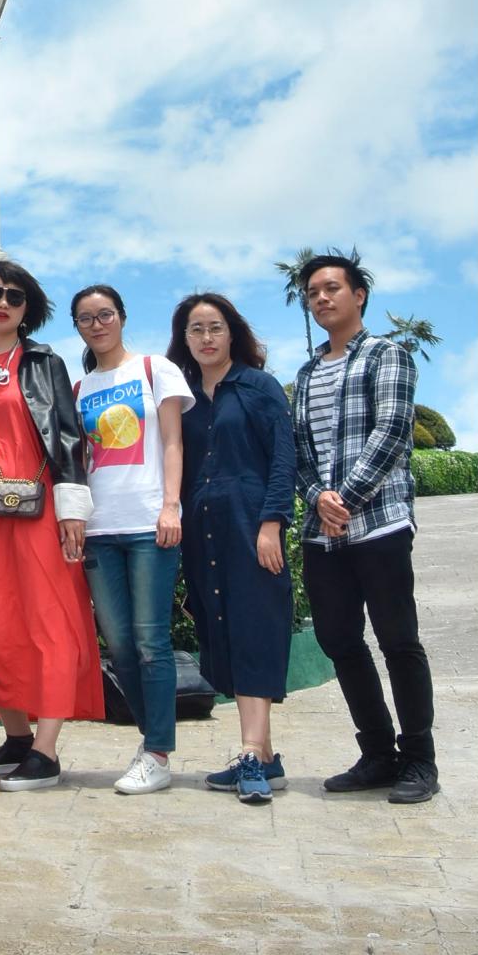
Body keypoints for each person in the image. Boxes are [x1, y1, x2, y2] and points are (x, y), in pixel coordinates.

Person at [292, 252, 438, 804]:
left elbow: (393, 430)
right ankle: (377, 752)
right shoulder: (306, 374)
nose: (322, 298)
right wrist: (316, 497)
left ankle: (419, 759)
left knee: (399, 641)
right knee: (338, 640)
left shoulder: (387, 355)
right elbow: (301, 450)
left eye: (332, 288)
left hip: (379, 524)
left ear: (359, 296)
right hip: (324, 535)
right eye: (313, 292)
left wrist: (344, 499)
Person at [0, 260, 102, 791]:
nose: (2, 303)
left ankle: (46, 749)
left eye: (14, 298)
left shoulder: (44, 361)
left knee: (51, 626)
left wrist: (72, 510)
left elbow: (69, 436)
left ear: (28, 310)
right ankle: (16, 735)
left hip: (42, 511)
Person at [166, 294, 296, 806]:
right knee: (220, 630)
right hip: (204, 534)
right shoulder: (183, 395)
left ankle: (248, 752)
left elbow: (283, 458)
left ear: (232, 332)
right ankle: (264, 758)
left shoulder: (258, 386)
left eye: (214, 327)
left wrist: (271, 524)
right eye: (195, 330)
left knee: (253, 630)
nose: (205, 338)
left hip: (250, 527)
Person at [72, 283, 192, 795]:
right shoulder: (79, 390)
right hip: (100, 530)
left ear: (121, 317)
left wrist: (170, 505)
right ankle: (150, 743)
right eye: (85, 318)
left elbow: (172, 440)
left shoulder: (153, 370)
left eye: (105, 314)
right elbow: (78, 463)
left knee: (150, 641)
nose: (97, 324)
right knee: (119, 645)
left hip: (148, 524)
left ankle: (159, 751)